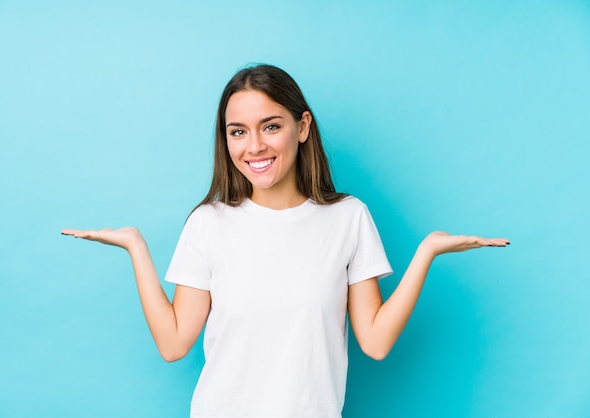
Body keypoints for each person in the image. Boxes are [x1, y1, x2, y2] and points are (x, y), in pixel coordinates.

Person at [62, 64, 509, 418]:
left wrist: (426, 253)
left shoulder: (348, 218)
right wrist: (136, 248)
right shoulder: (208, 223)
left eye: (270, 126)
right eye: (238, 131)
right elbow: (174, 343)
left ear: (302, 126)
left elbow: (374, 341)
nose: (254, 146)